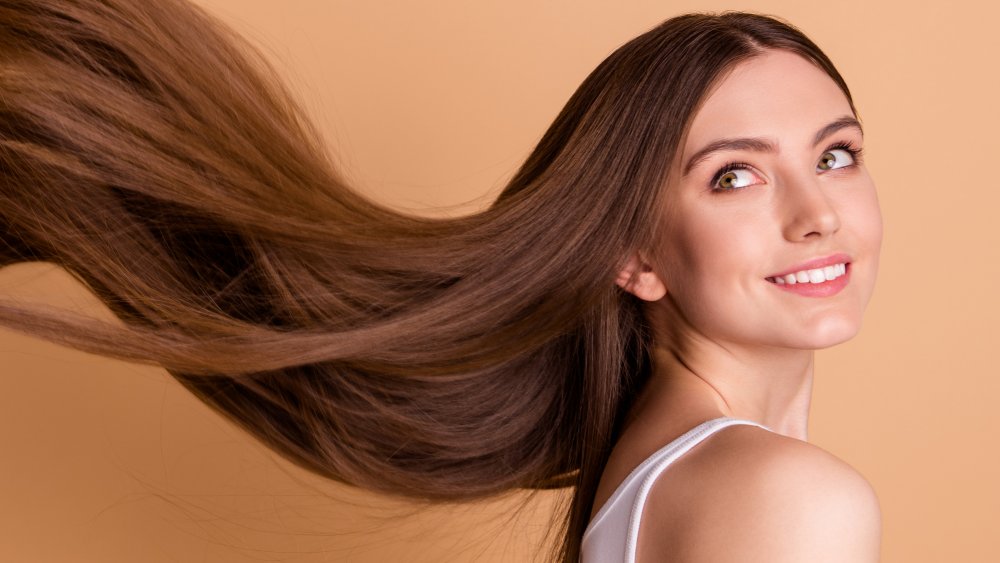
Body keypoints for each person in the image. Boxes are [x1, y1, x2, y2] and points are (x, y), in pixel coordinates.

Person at [0, 1, 882, 561]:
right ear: (633, 257)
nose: (817, 213)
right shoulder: (788, 498)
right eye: (735, 175)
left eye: (836, 154)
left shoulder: (661, 466)